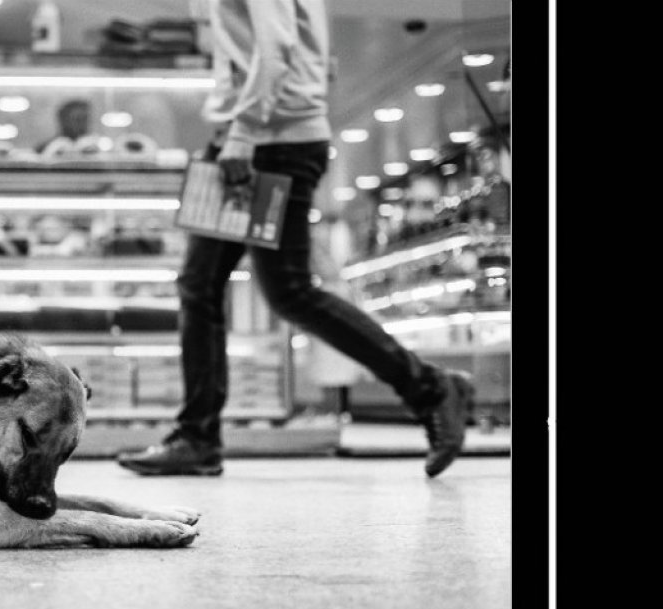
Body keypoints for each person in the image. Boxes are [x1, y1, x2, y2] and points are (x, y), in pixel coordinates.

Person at [116, 0, 474, 478]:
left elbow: (276, 48)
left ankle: (430, 388)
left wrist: (242, 134)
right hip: (260, 138)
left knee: (280, 290)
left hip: (267, 143)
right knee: (209, 286)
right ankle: (197, 438)